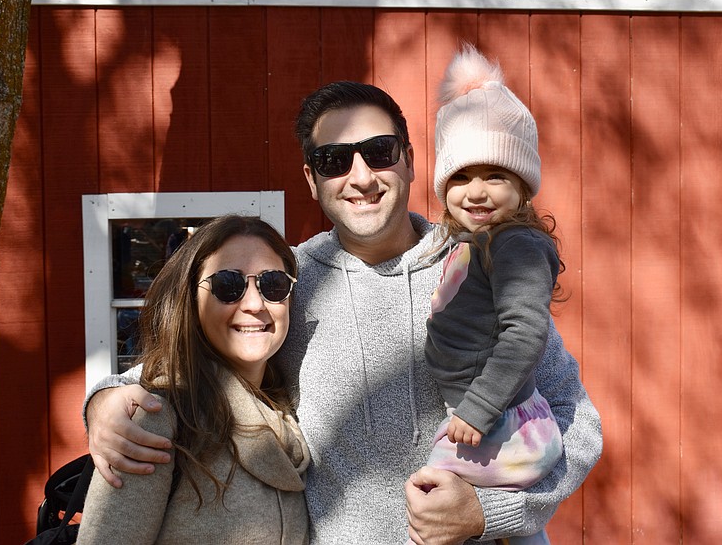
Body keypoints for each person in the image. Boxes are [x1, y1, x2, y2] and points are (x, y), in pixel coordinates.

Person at [83, 78, 603, 544]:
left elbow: (575, 422)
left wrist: (487, 514)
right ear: (312, 179)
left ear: (409, 159)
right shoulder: (284, 284)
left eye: (379, 152)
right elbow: (185, 363)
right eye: (335, 161)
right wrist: (104, 402)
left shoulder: (478, 268)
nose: (361, 177)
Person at [77, 215, 310, 543]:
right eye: (228, 285)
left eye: (273, 284)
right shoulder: (156, 419)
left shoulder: (287, 412)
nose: (256, 304)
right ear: (190, 299)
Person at [416, 45, 568, 545]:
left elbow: (525, 332)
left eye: (495, 175)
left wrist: (477, 408)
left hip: (501, 424)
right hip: (488, 419)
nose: (475, 191)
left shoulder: (515, 245)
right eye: (460, 177)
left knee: (430, 495)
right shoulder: (473, 243)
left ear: (523, 187)